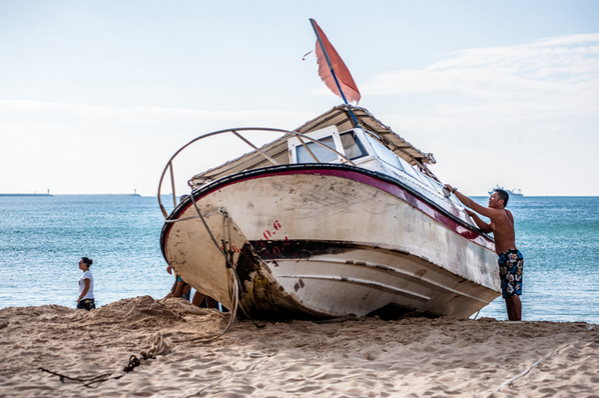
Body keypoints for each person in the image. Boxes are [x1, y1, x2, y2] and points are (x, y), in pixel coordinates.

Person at [444, 185, 523, 321]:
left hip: (510, 256)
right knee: (508, 293)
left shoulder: (498, 213)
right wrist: (474, 216)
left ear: (501, 202)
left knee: (512, 293)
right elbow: (487, 229)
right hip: (509, 256)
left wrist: (454, 191)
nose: (489, 199)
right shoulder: (505, 214)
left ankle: (518, 321)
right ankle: (513, 321)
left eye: (493, 197)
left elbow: (472, 204)